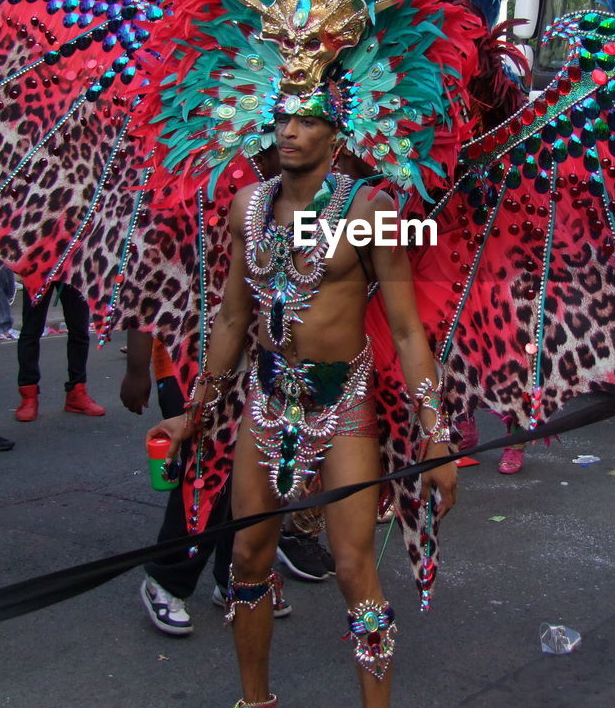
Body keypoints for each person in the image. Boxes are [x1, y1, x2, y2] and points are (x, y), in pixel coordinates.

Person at [150, 103, 458, 707]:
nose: (289, 131)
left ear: (339, 132)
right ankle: (254, 702)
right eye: (282, 117)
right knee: (246, 556)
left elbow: (405, 330)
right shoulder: (247, 207)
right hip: (266, 401)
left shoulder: (374, 211)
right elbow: (235, 316)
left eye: (309, 120)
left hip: (342, 401)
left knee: (351, 567)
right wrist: (196, 411)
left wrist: (435, 433)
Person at [122, 330, 289, 634]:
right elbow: (145, 292)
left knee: (244, 472)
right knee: (202, 471)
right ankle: (166, 578)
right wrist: (136, 368)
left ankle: (235, 575)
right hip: (182, 363)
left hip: (243, 366)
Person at [15, 280, 103, 420]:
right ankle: (28, 395)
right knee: (31, 329)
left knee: (79, 328)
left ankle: (77, 391)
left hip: (73, 265)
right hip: (42, 264)